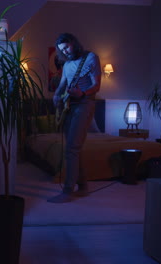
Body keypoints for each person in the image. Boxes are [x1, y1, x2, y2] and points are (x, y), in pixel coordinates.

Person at [48, 33, 101, 203]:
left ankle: (68, 191)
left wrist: (82, 92)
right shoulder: (67, 64)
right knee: (74, 148)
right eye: (62, 49)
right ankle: (83, 186)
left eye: (67, 46)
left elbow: (96, 86)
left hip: (85, 104)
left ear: (73, 43)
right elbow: (62, 84)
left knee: (71, 148)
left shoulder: (91, 57)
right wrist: (56, 96)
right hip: (69, 105)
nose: (66, 51)